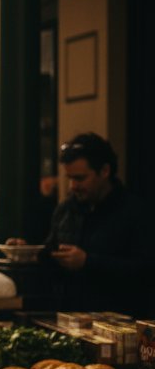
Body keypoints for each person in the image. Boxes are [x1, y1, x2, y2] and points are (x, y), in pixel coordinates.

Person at [39, 133, 151, 316]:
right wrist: (30, 252)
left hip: (118, 324)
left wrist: (88, 262)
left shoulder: (134, 212)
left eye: (80, 178)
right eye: (69, 178)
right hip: (70, 320)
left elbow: (144, 270)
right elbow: (51, 251)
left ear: (104, 171)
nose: (72, 186)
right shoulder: (66, 209)